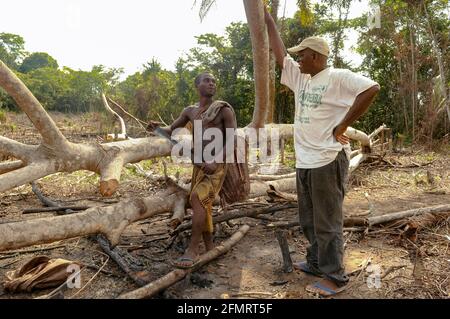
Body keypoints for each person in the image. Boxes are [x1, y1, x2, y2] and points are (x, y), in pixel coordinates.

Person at [264, 6, 380, 296]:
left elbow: (371, 88)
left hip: (328, 159)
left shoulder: (338, 77)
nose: (298, 59)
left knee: (327, 222)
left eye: (302, 55)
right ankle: (316, 262)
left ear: (316, 57)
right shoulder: (302, 77)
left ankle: (335, 276)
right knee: (308, 219)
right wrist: (267, 20)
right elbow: (280, 56)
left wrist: (343, 125)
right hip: (305, 160)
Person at [147, 72, 237, 269]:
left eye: (214, 81)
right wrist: (156, 128)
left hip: (216, 167)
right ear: (197, 86)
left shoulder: (223, 110)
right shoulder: (189, 111)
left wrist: (215, 161)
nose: (212, 84)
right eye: (207, 81)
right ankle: (209, 244)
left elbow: (231, 140)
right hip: (199, 165)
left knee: (197, 197)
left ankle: (193, 248)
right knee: (202, 203)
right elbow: (171, 130)